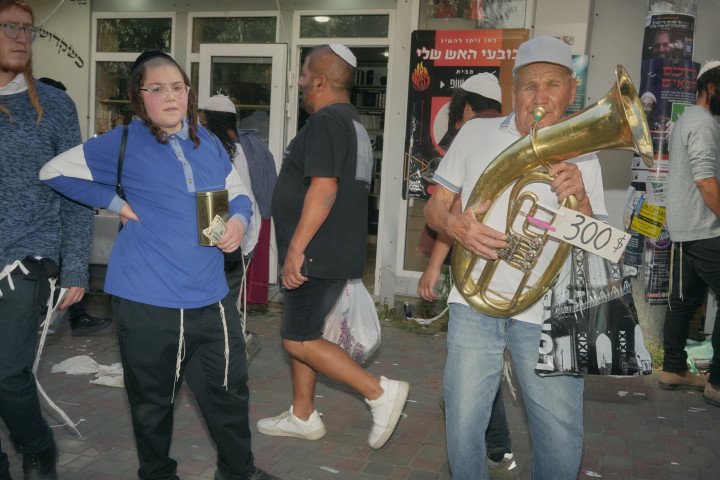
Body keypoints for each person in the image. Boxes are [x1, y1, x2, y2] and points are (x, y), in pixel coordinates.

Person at [40, 51, 278, 480]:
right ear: (139, 97)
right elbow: (53, 171)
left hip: (211, 297)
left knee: (229, 391)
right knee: (152, 403)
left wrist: (239, 221)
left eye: (179, 87)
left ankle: (239, 472)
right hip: (146, 299)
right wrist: (114, 202)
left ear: (189, 93)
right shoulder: (123, 142)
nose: (171, 96)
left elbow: (237, 192)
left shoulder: (205, 141)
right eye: (158, 88)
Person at [425, 36, 608, 479]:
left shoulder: (586, 155)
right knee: (463, 424)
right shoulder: (476, 132)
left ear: (569, 91)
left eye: (551, 85)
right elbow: (433, 208)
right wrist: (457, 226)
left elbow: (602, 245)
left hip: (551, 313)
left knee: (560, 434)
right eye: (528, 86)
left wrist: (580, 198)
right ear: (513, 92)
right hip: (473, 307)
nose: (539, 98)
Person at [257, 44, 409, 450]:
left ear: (321, 82)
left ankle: (379, 392)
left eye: (304, 75)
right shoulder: (352, 123)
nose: (301, 83)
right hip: (331, 249)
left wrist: (295, 250)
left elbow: (324, 191)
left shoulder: (325, 123)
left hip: (315, 251)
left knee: (297, 339)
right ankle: (303, 415)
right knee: (303, 329)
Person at [0, 1, 93, 478]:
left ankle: (38, 448)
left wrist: (76, 265)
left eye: (27, 30)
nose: (21, 37)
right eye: (9, 27)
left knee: (7, 373)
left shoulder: (54, 107)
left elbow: (76, 191)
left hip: (27, 257)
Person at [418, 73, 516, 473]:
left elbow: (452, 216)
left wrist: (432, 267)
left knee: (471, 374)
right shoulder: (503, 136)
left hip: (474, 272)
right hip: (497, 271)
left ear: (468, 107)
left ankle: (494, 443)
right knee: (481, 367)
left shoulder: (473, 135)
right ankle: (498, 445)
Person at [199, 94, 278, 362]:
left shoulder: (211, 152)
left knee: (218, 299)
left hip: (218, 239)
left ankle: (228, 346)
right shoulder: (253, 148)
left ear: (209, 120)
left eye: (201, 118)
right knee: (229, 297)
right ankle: (230, 343)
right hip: (246, 235)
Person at [660, 59, 720, 407]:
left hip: (684, 227)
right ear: (711, 87)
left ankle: (672, 368)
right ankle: (716, 383)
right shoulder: (704, 123)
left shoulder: (689, 120)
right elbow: (705, 180)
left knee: (682, 303)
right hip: (706, 227)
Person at [37, 76, 113, 337]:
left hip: (52, 234)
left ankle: (72, 317)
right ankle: (71, 317)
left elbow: (75, 197)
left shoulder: (58, 139)